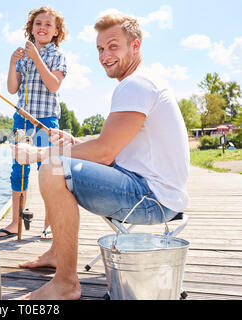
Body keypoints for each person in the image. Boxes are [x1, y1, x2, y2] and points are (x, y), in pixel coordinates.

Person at [11, 13, 190, 299]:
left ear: (135, 45)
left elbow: (105, 153)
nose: (105, 55)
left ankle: (66, 283)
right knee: (59, 163)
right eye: (100, 49)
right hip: (154, 192)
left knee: (51, 169)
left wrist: (38, 153)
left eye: (113, 46)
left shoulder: (136, 85)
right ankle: (58, 253)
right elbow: (116, 148)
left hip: (150, 199)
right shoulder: (139, 82)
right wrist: (77, 143)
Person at [0, 7, 68, 240]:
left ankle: (50, 223)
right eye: (38, 23)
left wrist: (36, 58)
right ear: (31, 28)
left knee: (49, 170)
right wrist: (12, 63)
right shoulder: (23, 55)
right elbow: (12, 88)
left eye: (48, 25)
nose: (42, 28)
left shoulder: (57, 55)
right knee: (18, 169)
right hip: (22, 120)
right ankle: (15, 222)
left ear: (56, 31)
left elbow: (53, 85)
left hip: (47, 121)